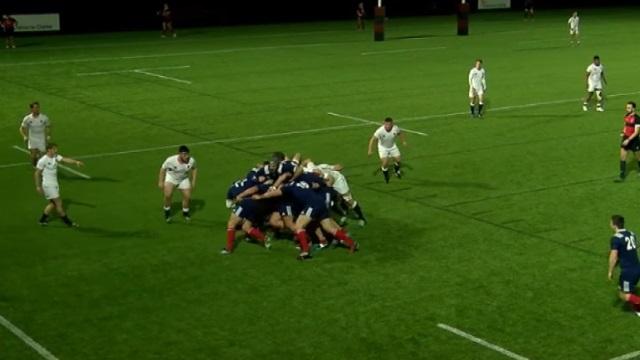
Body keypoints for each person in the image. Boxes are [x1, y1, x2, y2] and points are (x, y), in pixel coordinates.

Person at [34, 143, 83, 227]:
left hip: (54, 184)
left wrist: (76, 162)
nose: (56, 150)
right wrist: (38, 186)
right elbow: (37, 173)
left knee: (53, 204)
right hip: (48, 185)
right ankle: (68, 222)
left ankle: (42, 220)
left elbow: (64, 159)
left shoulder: (55, 156)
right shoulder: (43, 160)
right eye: (54, 149)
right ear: (49, 150)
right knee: (58, 204)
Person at [608, 215, 640, 316]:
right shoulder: (631, 234)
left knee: (623, 295)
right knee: (622, 288)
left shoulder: (615, 238)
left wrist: (610, 271)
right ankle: (638, 310)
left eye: (611, 222)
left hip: (628, 271)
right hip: (637, 267)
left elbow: (613, 257)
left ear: (614, 225)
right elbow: (634, 248)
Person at [158, 145, 197, 222]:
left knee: (187, 197)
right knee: (168, 195)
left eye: (187, 154)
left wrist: (193, 181)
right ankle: (167, 211)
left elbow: (194, 168)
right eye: (185, 154)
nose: (187, 156)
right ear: (180, 154)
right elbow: (163, 169)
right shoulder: (170, 160)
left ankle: (185, 212)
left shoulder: (191, 160)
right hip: (171, 178)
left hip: (183, 179)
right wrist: (160, 181)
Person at [368, 117, 406, 184]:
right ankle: (386, 176)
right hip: (383, 148)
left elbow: (400, 133)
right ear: (384, 124)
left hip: (392, 146)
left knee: (398, 160)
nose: (388, 126)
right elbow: (372, 139)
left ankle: (396, 171)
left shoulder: (395, 128)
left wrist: (403, 141)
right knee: (385, 163)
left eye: (389, 124)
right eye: (386, 124)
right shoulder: (380, 131)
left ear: (392, 124)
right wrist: (370, 150)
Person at [19, 102, 51, 167]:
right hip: (32, 139)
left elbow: (48, 126)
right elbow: (21, 128)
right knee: (33, 156)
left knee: (42, 155)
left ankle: (40, 168)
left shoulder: (44, 117)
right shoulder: (27, 118)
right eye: (35, 107)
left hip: (41, 138)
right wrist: (24, 136)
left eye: (38, 107)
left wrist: (48, 135)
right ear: (31, 109)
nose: (37, 109)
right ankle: (35, 165)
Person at [616, 101, 640, 182]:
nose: (627, 109)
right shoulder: (626, 115)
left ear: (633, 108)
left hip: (634, 140)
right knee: (622, 157)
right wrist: (623, 132)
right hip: (625, 139)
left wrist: (628, 140)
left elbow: (636, 132)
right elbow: (625, 125)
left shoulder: (637, 118)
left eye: (629, 108)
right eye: (626, 107)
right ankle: (622, 176)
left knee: (638, 158)